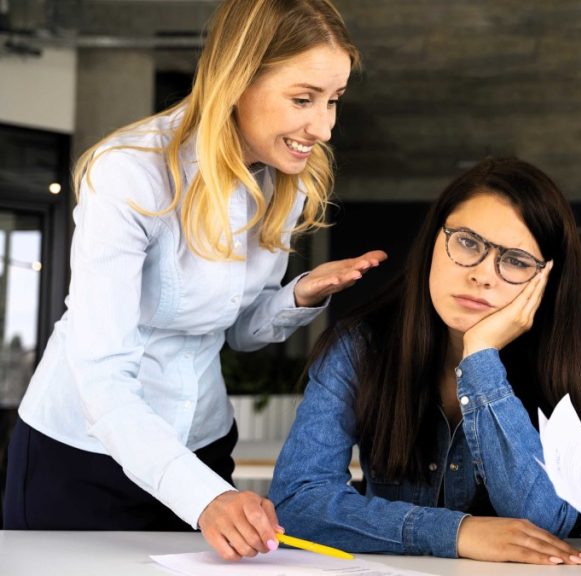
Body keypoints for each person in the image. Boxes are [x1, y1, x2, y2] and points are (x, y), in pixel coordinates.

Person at [3, 0, 386, 562]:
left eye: (333, 100)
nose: (324, 126)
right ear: (236, 80)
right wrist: (204, 497)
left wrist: (297, 295)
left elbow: (238, 334)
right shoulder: (129, 174)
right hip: (83, 455)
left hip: (203, 445)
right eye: (302, 99)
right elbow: (103, 376)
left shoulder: (287, 182)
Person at [269, 157, 581, 565]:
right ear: (433, 242)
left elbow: (546, 524)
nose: (482, 275)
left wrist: (481, 359)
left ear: (544, 279)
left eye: (515, 261)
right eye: (468, 243)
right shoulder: (360, 347)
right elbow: (296, 502)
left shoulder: (575, 361)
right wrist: (455, 532)